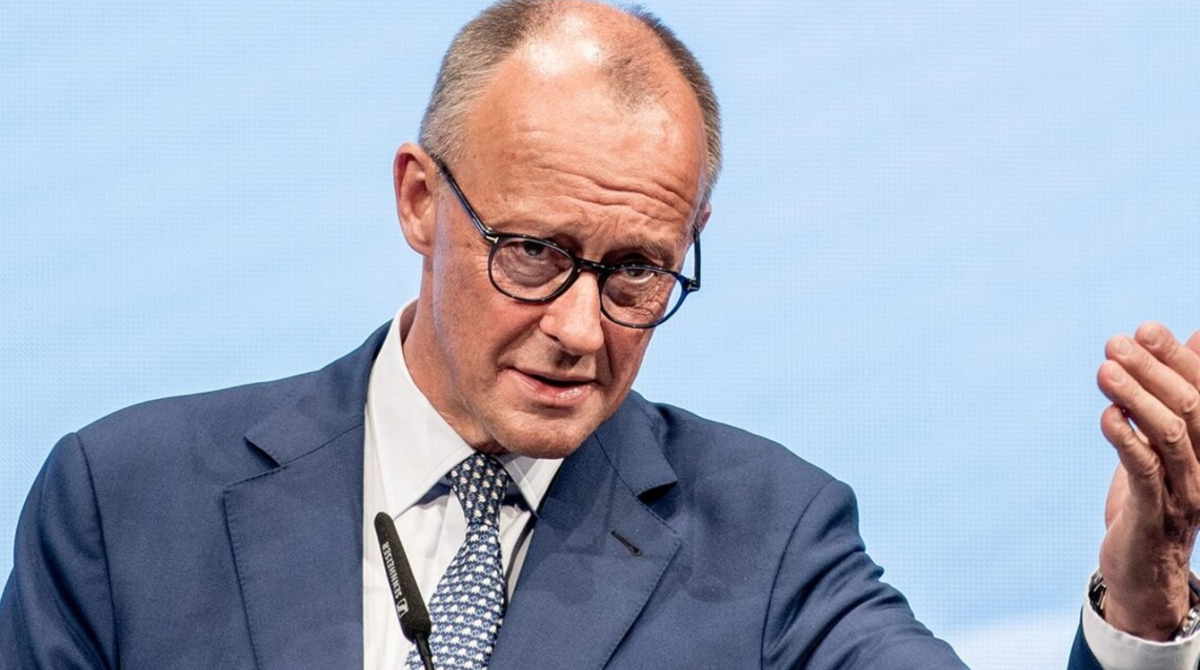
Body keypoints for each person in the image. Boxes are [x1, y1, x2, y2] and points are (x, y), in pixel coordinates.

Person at [1, 1, 1197, 668]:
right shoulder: (125, 502)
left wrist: (1140, 612)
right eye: (533, 253)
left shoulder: (773, 539)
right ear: (419, 198)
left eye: (636, 271)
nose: (581, 329)